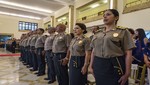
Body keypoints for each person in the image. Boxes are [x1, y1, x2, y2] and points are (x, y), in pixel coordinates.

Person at [89, 9, 135, 85]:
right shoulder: (98, 33)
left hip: (115, 64)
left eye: (108, 14)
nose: (105, 17)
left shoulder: (123, 31)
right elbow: (94, 51)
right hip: (98, 64)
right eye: (104, 15)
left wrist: (127, 73)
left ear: (116, 17)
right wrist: (91, 66)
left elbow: (128, 53)